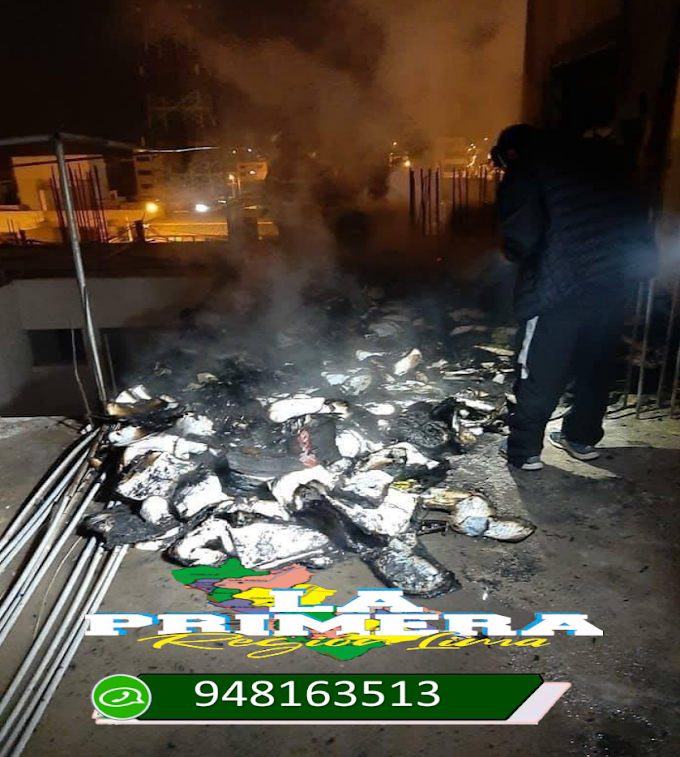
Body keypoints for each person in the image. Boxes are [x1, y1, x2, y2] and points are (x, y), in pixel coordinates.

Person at [491, 124, 656, 471]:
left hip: (558, 286)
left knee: (541, 367)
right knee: (597, 362)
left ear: (511, 153)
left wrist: (516, 256)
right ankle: (581, 437)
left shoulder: (529, 166)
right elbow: (639, 218)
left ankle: (524, 450)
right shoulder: (607, 159)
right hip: (614, 281)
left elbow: (521, 234)